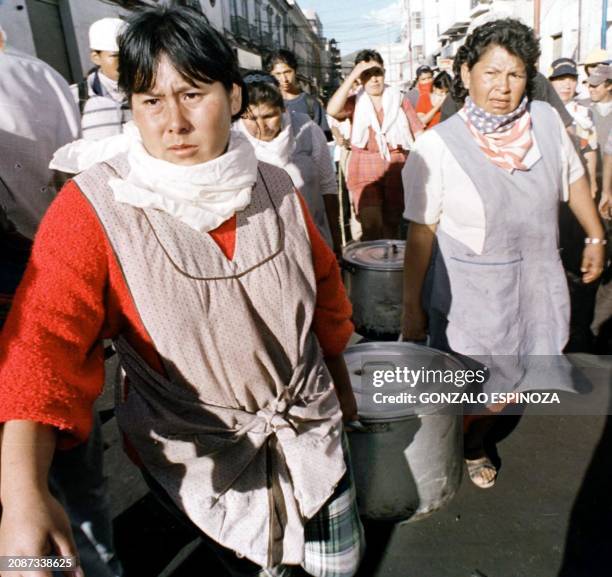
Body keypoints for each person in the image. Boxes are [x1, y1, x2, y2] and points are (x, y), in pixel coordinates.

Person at [0, 7, 364, 577]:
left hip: (310, 430)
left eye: (193, 94)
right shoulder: (94, 210)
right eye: (150, 100)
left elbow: (324, 296)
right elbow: (41, 344)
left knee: (335, 564)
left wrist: (341, 390)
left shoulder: (273, 184)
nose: (173, 122)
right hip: (199, 459)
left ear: (235, 97)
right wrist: (21, 494)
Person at [401, 19, 605, 489]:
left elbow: (572, 178)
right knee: (474, 387)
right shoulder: (435, 146)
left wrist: (595, 234)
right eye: (491, 73)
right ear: (467, 73)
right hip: (472, 297)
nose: (502, 87)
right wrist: (411, 307)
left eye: (514, 74)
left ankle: (470, 438)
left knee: (521, 378)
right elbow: (421, 235)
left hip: (535, 283)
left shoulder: (548, 122)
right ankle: (464, 442)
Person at [0, 26, 122, 577]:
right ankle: (98, 564)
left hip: (29, 279)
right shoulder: (42, 76)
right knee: (73, 463)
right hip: (50, 264)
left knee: (25, 490)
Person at [235, 71, 341, 253]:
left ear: (283, 109)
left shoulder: (308, 130)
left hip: (312, 239)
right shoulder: (233, 140)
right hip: (262, 248)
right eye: (251, 119)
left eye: (269, 116)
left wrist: (335, 238)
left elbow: (327, 187)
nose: (261, 126)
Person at [327, 49, 423, 240]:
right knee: (371, 225)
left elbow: (418, 133)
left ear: (384, 72)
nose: (374, 79)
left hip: (396, 165)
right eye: (367, 75)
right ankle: (371, 265)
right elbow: (332, 109)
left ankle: (389, 268)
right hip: (363, 165)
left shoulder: (400, 99)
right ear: (360, 78)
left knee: (391, 225)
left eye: (377, 73)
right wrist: (352, 76)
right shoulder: (355, 102)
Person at [549, 57, 601, 352]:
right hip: (554, 196)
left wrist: (593, 188)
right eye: (560, 79)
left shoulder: (583, 113)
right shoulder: (543, 113)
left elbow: (591, 150)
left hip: (578, 195)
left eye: (571, 79)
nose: (567, 85)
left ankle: (576, 325)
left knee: (574, 254)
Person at [72, 17, 131, 140]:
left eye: (129, 55)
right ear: (96, 57)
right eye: (116, 56)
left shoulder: (152, 94)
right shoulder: (74, 97)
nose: (125, 62)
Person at [267, 49, 332, 141]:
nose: (284, 79)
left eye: (288, 72)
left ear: (295, 71)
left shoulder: (311, 103)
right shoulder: (268, 103)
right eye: (278, 74)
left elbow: (324, 140)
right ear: (271, 75)